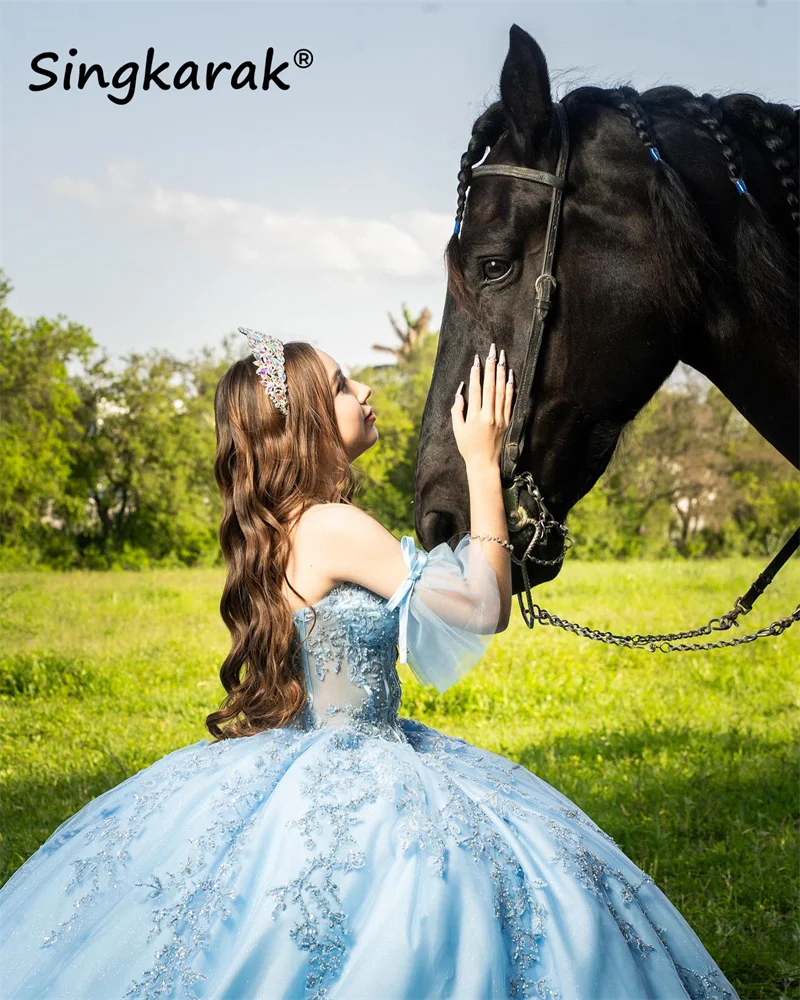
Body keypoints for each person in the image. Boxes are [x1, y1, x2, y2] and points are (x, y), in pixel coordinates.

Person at [0, 328, 738, 1000]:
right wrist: (482, 460)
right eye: (348, 384)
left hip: (308, 747)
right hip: (361, 756)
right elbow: (482, 606)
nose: (367, 393)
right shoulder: (331, 526)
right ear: (314, 418)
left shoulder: (284, 527)